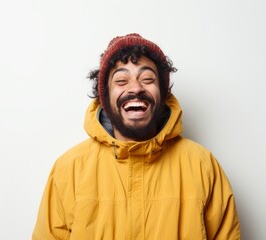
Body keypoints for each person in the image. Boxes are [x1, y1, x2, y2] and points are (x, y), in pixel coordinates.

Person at [32, 33, 241, 240]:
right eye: (121, 80)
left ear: (162, 93)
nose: (136, 88)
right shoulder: (69, 170)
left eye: (147, 79)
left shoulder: (202, 166)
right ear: (105, 97)